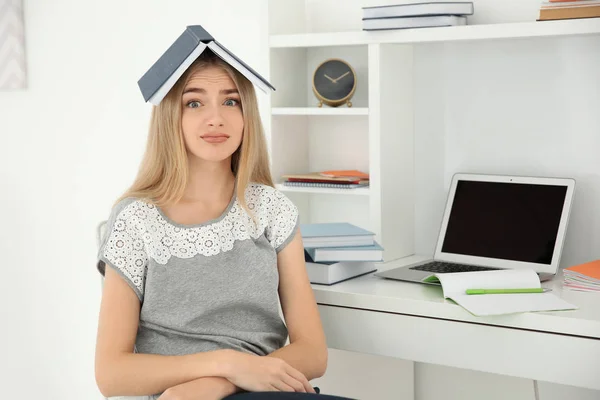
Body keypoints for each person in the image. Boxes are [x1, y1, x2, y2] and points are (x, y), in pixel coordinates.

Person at [94, 49, 348, 400]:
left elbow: (313, 352)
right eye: (194, 104)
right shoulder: (136, 219)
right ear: (171, 117)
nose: (216, 119)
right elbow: (112, 375)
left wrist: (223, 381)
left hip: (263, 390)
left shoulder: (272, 210)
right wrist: (226, 363)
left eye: (231, 103)